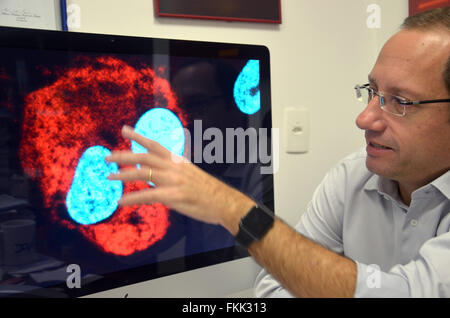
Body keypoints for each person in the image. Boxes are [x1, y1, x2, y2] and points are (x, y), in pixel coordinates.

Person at [105, 7, 450, 297]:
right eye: (372, 91)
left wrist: (232, 207)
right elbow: (275, 284)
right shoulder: (354, 176)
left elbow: (408, 292)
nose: (364, 119)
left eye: (401, 102)